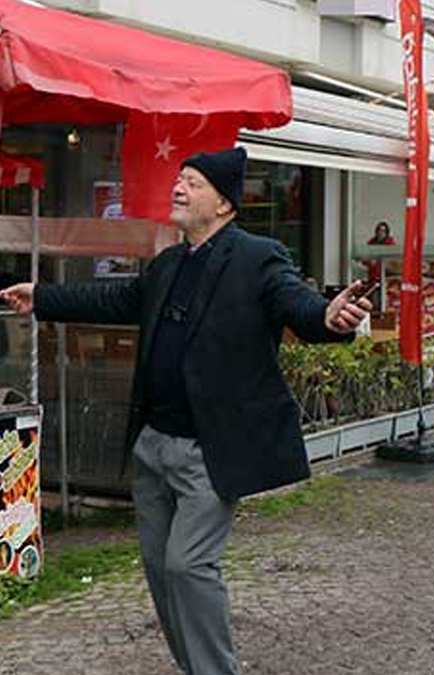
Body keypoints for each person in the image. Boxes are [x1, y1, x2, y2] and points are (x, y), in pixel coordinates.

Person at [0, 147, 371, 675]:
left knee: (188, 564)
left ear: (223, 204)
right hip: (152, 443)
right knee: (159, 567)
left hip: (208, 451)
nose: (179, 187)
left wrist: (329, 317)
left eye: (192, 182)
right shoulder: (170, 263)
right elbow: (114, 302)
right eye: (180, 178)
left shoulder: (257, 256)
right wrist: (41, 297)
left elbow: (299, 306)